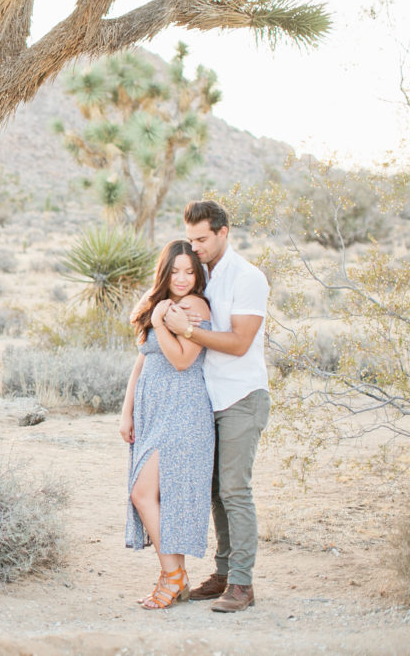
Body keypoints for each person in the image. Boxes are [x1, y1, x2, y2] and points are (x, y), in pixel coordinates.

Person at [163, 199, 270, 613]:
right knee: (214, 492)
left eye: (202, 239)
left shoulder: (248, 277)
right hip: (209, 399)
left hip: (242, 397)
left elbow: (240, 343)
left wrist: (186, 329)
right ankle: (224, 574)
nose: (196, 247)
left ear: (224, 232)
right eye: (191, 239)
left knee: (235, 491)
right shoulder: (201, 274)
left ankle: (242, 584)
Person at [120, 239, 214, 610]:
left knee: (144, 493)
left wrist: (160, 319)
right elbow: (141, 361)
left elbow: (180, 360)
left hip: (183, 410)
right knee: (158, 495)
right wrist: (127, 412)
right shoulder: (154, 302)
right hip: (152, 411)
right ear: (164, 271)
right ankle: (173, 576)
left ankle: (173, 576)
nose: (182, 278)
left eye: (189, 271)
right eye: (175, 270)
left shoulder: (194, 306)